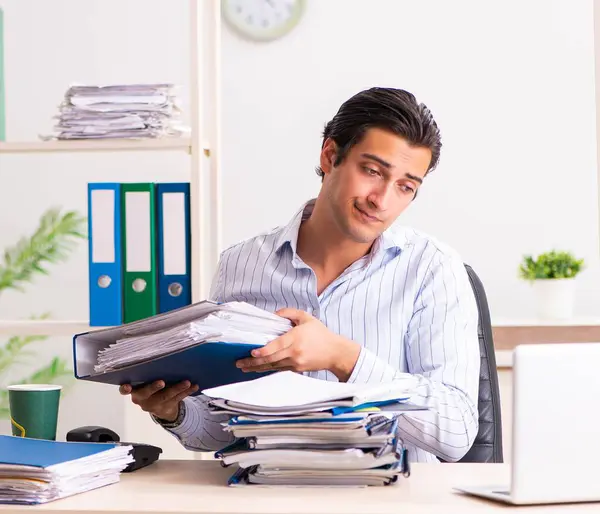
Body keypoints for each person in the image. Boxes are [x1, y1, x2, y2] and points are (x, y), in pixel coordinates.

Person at [119, 87, 481, 463]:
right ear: (330, 155)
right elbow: (219, 429)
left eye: (405, 187)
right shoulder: (241, 265)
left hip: (386, 497)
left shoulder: (432, 269)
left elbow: (455, 433)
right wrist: (173, 411)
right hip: (267, 491)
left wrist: (345, 360)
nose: (383, 200)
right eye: (372, 171)